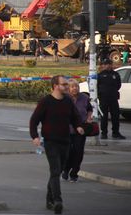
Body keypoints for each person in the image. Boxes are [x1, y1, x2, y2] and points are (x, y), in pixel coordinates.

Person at [30, 75, 85, 214]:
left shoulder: (67, 101)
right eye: (64, 84)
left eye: (67, 84)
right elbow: (34, 120)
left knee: (58, 171)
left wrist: (78, 126)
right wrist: (35, 136)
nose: (67, 87)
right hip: (50, 142)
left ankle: (49, 199)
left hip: (65, 141)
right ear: (55, 86)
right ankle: (57, 201)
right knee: (55, 171)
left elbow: (75, 116)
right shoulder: (45, 102)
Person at [62, 78, 92, 182]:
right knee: (69, 152)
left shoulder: (84, 97)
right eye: (72, 86)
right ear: (68, 89)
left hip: (81, 130)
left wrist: (88, 118)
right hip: (67, 129)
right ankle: (66, 169)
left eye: (77, 86)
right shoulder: (64, 98)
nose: (75, 88)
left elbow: (89, 109)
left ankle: (74, 173)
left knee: (78, 152)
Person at [97, 58, 125, 139]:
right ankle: (104, 133)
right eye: (106, 64)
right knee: (104, 116)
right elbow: (96, 86)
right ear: (103, 65)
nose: (108, 66)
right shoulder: (100, 75)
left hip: (113, 98)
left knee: (115, 116)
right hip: (103, 99)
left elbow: (118, 85)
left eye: (109, 64)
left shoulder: (115, 74)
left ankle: (115, 133)